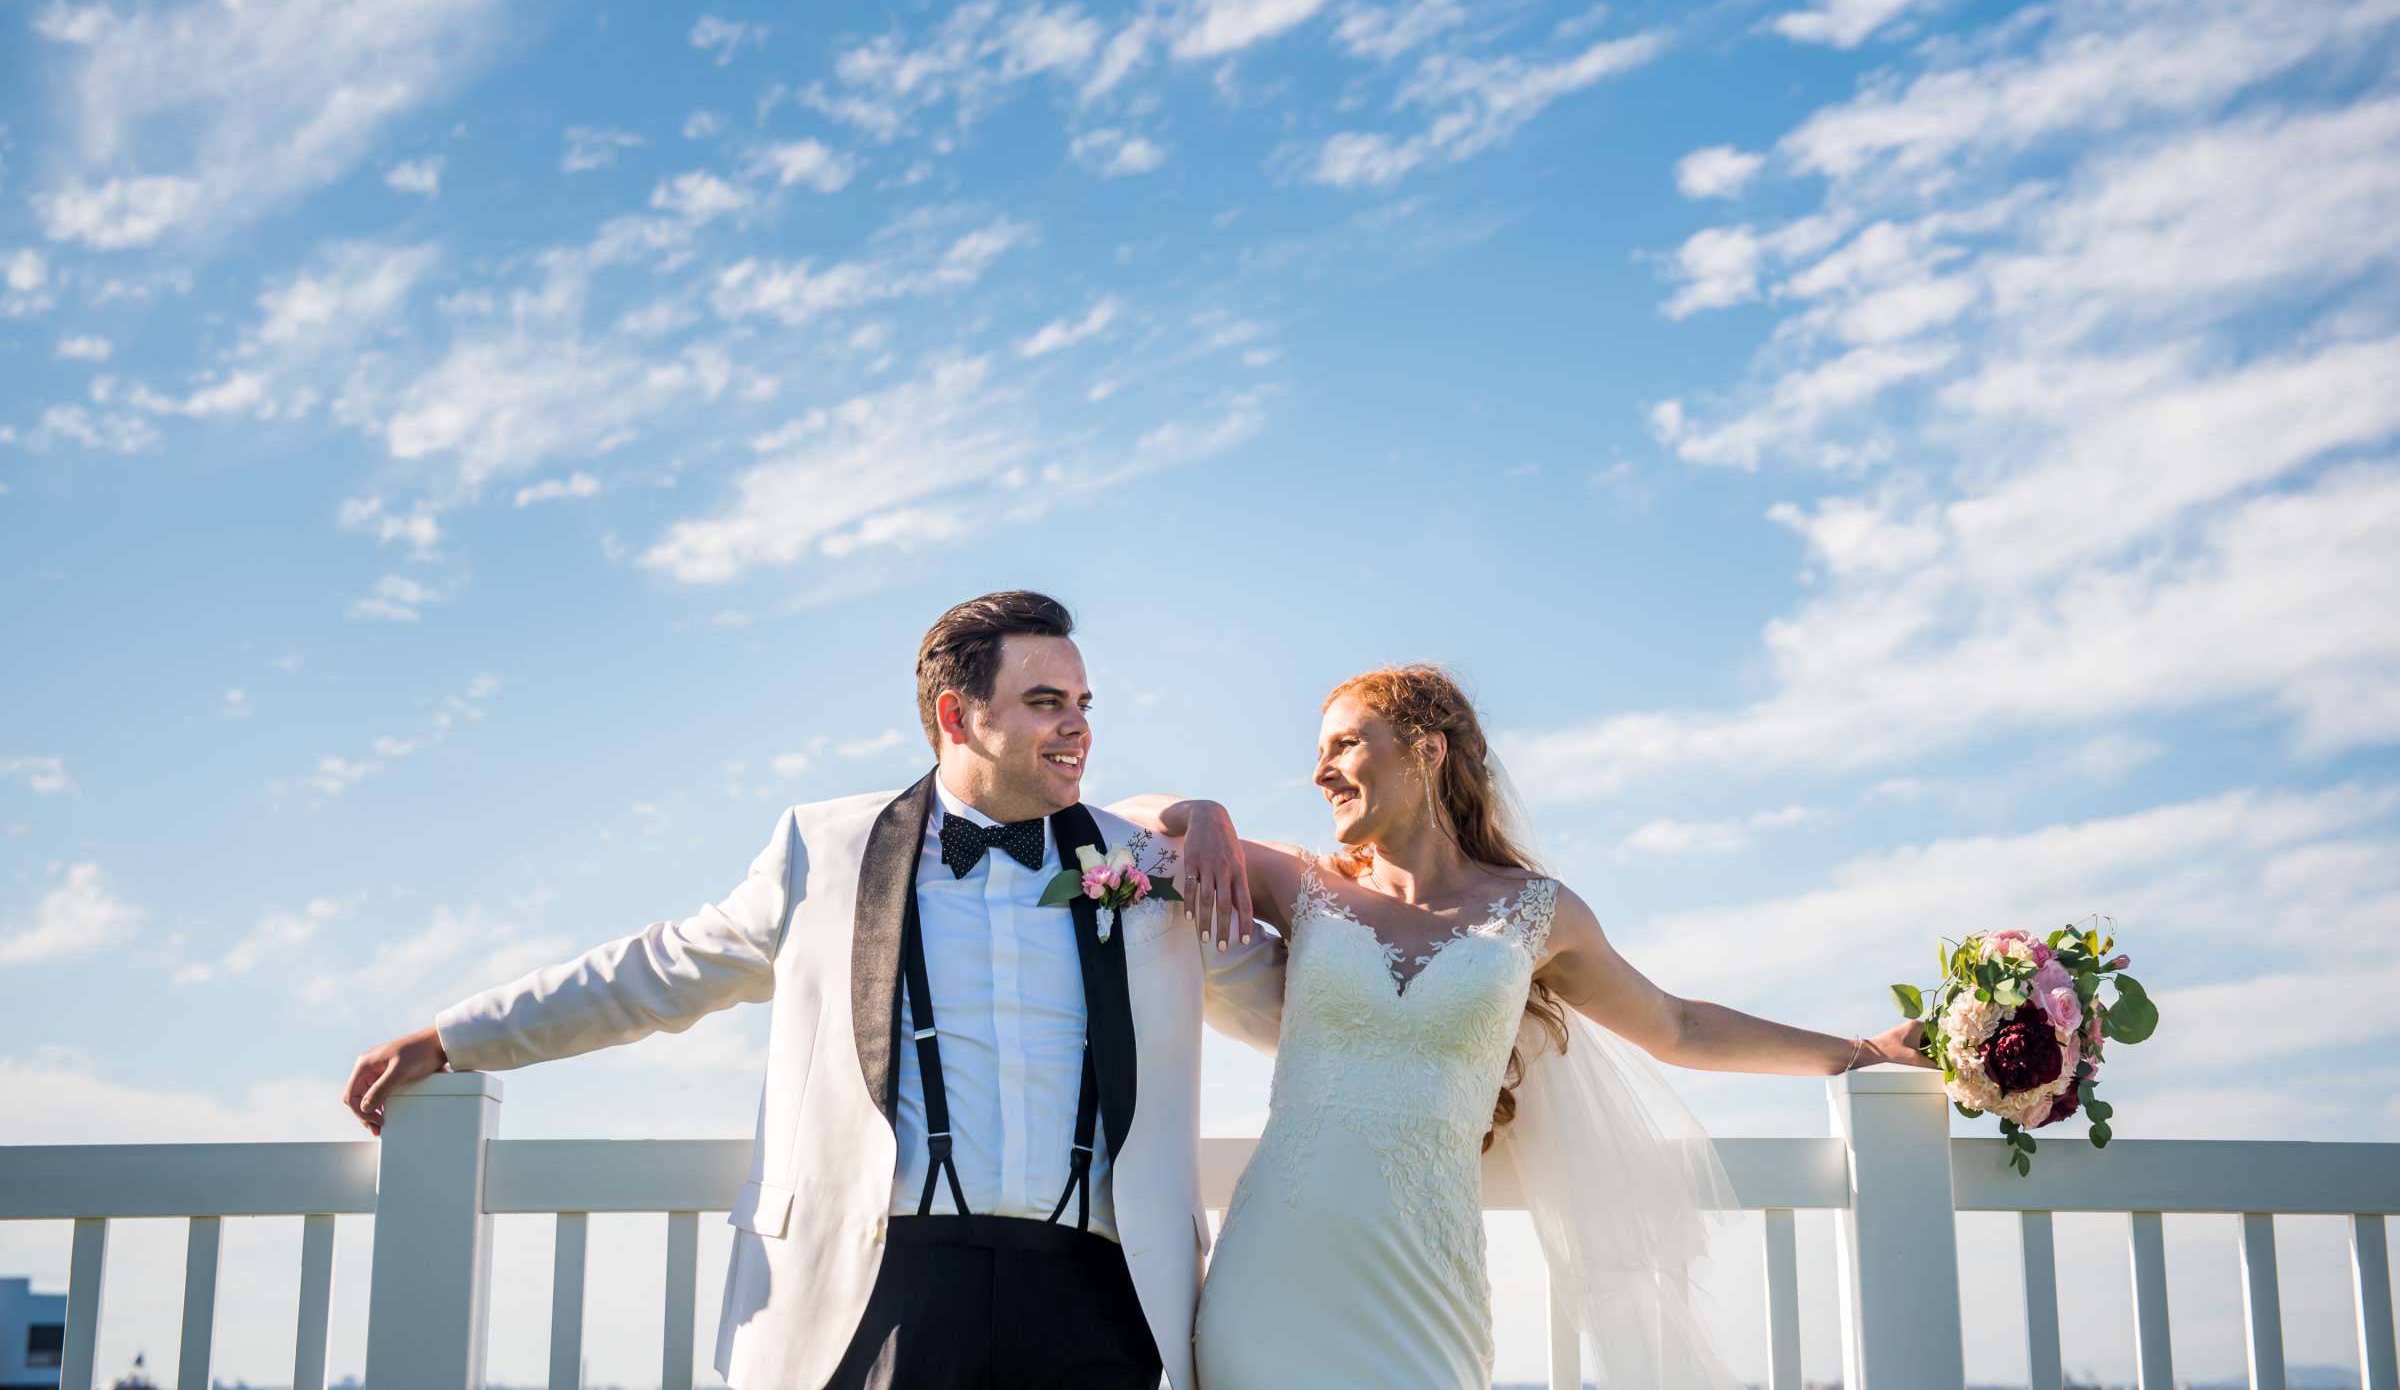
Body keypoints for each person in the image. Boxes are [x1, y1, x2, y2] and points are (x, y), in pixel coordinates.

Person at [340, 591, 1282, 1390]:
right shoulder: (822, 849)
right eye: (1044, 702)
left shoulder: (1148, 867)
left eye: (1082, 700)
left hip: (1096, 1293)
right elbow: (660, 970)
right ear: (958, 717)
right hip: (882, 1285)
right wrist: (454, 1037)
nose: (1077, 725)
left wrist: (1418, 990)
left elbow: (1300, 1013)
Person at [1111, 663, 1931, 1390]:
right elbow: (1117, 827)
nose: (1320, 771)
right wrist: (1204, 812)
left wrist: (1859, 1053)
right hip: (1274, 1279)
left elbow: (1678, 1024)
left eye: (1347, 744)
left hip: (1423, 1290)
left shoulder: (1538, 913)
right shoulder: (1307, 889)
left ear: (1428, 751)